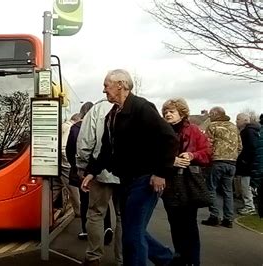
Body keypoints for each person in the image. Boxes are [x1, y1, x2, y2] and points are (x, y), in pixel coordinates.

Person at [82, 69, 179, 266]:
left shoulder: (141, 107)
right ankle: (168, 259)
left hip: (145, 180)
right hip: (126, 180)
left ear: (121, 85)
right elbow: (107, 150)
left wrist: (160, 173)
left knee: (132, 235)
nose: (104, 91)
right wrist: (91, 171)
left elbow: (169, 138)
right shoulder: (112, 115)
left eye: (106, 85)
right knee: (133, 230)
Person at [161, 98, 212, 266]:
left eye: (172, 111)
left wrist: (192, 156)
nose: (168, 114)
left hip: (188, 183)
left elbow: (207, 153)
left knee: (189, 225)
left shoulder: (194, 131)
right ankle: (180, 258)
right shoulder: (161, 132)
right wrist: (170, 160)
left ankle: (193, 261)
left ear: (182, 113)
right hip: (169, 183)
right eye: (166, 112)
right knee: (175, 224)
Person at [74, 98, 122, 265]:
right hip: (126, 174)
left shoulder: (96, 110)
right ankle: (121, 259)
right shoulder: (133, 108)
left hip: (100, 172)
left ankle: (94, 257)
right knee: (122, 216)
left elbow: (85, 142)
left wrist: (83, 168)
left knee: (95, 213)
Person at [202, 106, 241, 228]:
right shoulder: (234, 127)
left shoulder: (213, 126)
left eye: (211, 114)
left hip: (217, 161)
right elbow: (240, 146)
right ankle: (228, 219)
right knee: (228, 191)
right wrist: (233, 156)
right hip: (232, 163)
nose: (209, 116)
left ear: (215, 114)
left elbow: (208, 144)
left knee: (211, 188)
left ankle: (214, 216)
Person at [65, 102, 94, 238]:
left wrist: (75, 167)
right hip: (97, 171)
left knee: (85, 201)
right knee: (100, 203)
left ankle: (85, 230)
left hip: (81, 171)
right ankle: (106, 229)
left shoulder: (75, 128)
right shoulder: (99, 126)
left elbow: (69, 150)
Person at [53, 113, 82, 216]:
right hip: (65, 164)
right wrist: (69, 163)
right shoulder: (70, 127)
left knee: (57, 185)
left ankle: (44, 208)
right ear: (77, 120)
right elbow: (63, 147)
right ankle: (79, 211)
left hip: (56, 161)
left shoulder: (63, 126)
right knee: (73, 187)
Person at [236, 112, 260, 215]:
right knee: (245, 185)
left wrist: (244, 160)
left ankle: (249, 206)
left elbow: (251, 147)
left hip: (247, 165)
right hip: (249, 163)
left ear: (245, 120)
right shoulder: (252, 131)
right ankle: (248, 205)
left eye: (238, 119)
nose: (236, 121)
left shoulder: (248, 132)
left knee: (245, 185)